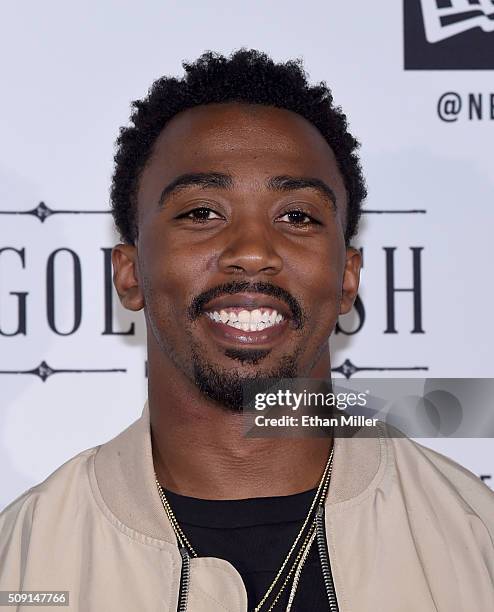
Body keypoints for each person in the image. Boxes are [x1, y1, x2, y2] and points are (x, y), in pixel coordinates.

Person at [1, 49, 493, 612]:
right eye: (202, 213)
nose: (254, 251)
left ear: (347, 278)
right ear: (130, 273)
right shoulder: (25, 561)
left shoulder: (474, 540)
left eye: (297, 216)